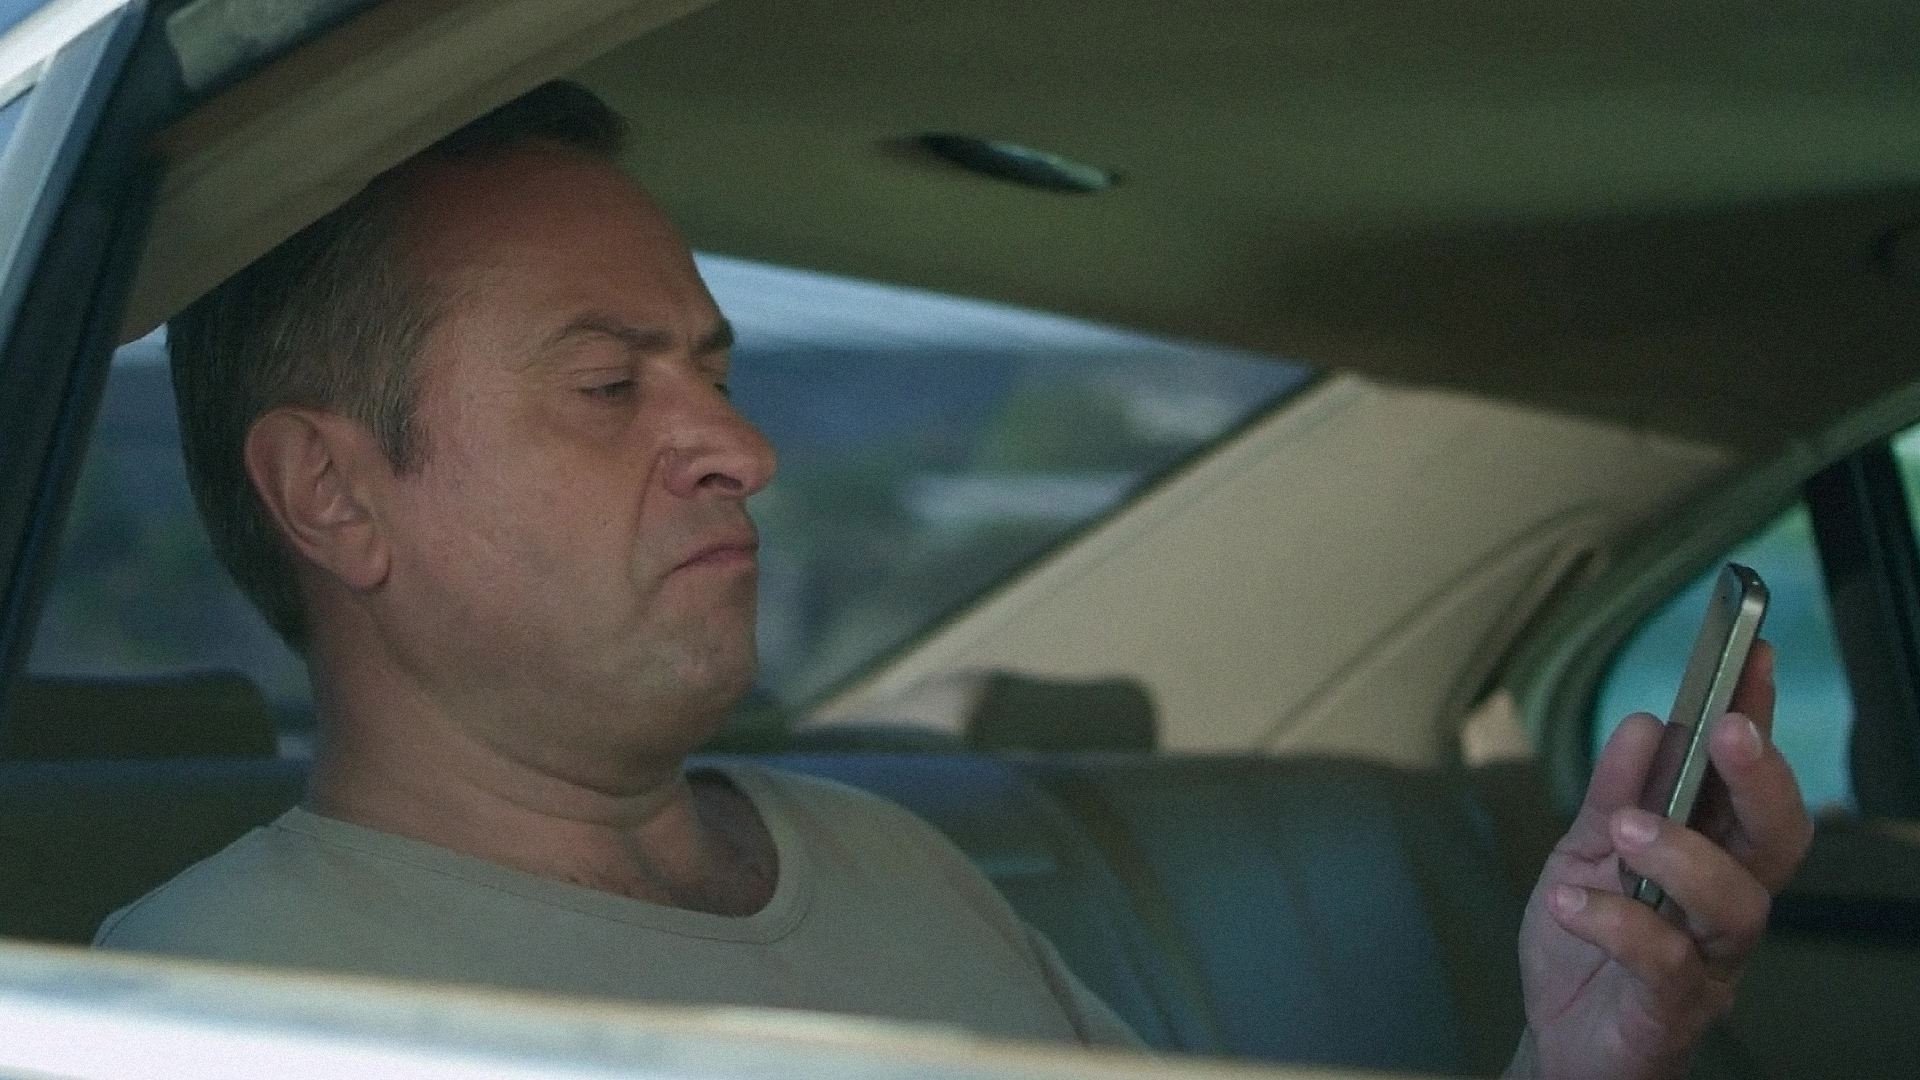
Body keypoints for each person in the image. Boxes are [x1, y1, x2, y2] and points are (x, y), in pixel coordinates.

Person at [94, 82, 1813, 1079]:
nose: (743, 449)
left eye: (718, 373)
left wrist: (1574, 1052)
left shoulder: (882, 855)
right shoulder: (199, 1008)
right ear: (333, 494)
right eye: (611, 385)